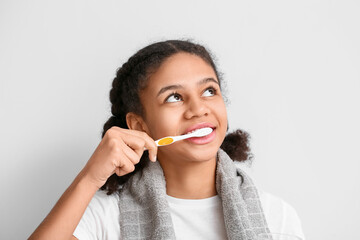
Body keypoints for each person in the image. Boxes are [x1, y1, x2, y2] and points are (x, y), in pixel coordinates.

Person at [29, 40, 305, 240]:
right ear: (139, 125)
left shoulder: (276, 217)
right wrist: (89, 178)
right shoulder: (107, 217)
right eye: (174, 97)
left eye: (209, 91)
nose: (199, 109)